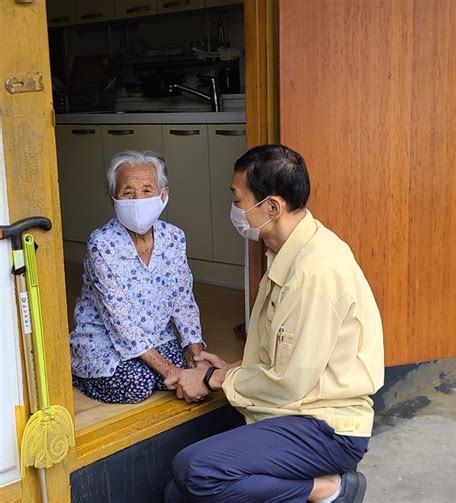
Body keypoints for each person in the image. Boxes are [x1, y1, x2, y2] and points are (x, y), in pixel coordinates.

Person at [163, 145, 384, 502]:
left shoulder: (313, 272)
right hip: (299, 411)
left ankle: (330, 489)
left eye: (238, 201)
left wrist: (210, 378)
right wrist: (233, 366)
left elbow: (289, 381)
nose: (235, 211)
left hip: (325, 427)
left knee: (195, 470)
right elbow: (285, 355)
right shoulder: (289, 251)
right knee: (178, 493)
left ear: (273, 207)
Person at [70, 150, 206, 404]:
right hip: (104, 337)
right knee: (138, 383)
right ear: (113, 200)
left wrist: (196, 355)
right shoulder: (101, 244)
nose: (137, 199)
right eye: (127, 192)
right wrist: (172, 373)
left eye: (147, 190)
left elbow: (183, 300)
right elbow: (118, 320)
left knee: (182, 370)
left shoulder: (174, 237)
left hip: (155, 335)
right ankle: (79, 372)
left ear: (163, 196)